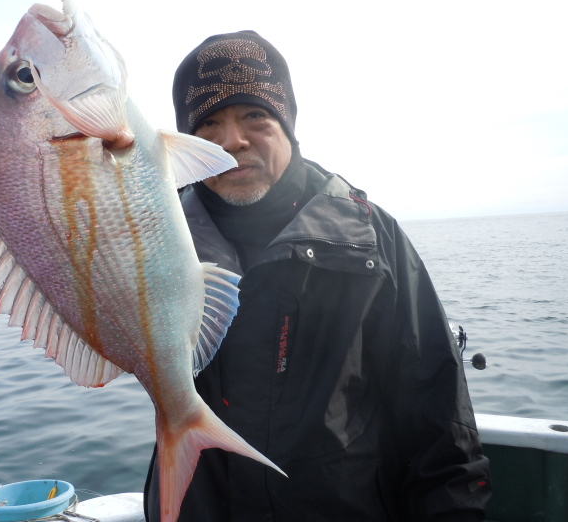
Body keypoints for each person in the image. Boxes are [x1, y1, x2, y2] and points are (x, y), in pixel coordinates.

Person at [144, 30, 492, 521]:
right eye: (208, 125)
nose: (232, 140)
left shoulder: (369, 236)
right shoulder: (150, 239)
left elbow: (436, 416)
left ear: (288, 124)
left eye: (255, 116)